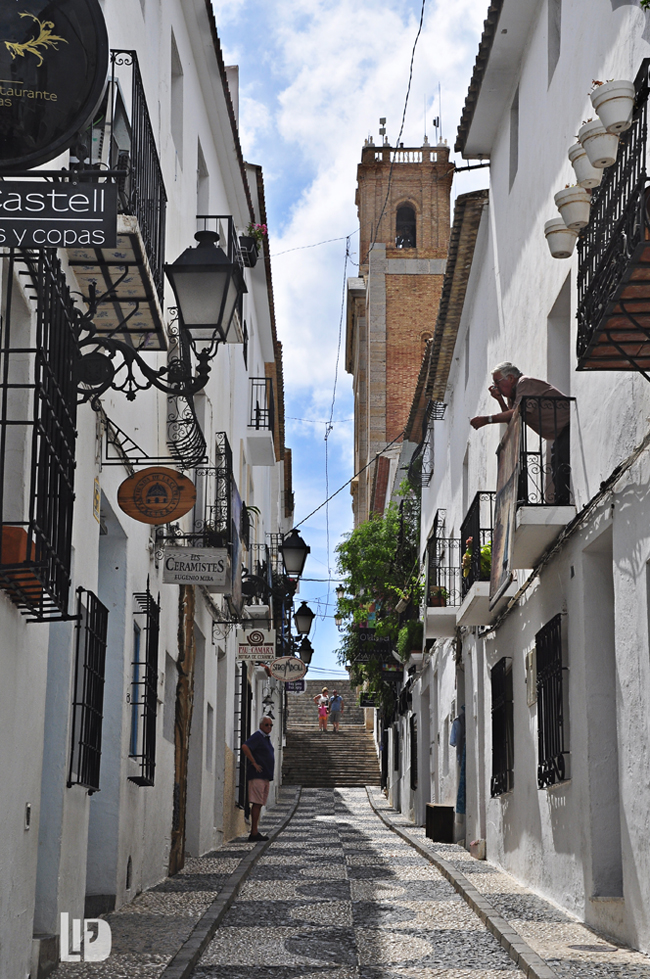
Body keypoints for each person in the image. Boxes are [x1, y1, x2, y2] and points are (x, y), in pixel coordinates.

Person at [469, 362, 571, 505]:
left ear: (510, 378)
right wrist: (500, 399)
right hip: (561, 433)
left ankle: (563, 500)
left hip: (568, 426)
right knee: (557, 464)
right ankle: (561, 498)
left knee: (559, 463)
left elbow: (515, 413)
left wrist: (488, 419)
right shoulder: (515, 394)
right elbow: (513, 420)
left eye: (497, 383)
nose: (495, 387)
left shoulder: (525, 383)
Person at [241, 716, 275, 842]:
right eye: (267, 725)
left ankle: (255, 831)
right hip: (257, 776)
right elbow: (245, 747)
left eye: (271, 725)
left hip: (264, 776)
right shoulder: (258, 736)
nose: (269, 727)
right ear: (261, 725)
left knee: (259, 803)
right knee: (256, 803)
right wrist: (254, 763)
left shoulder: (265, 738)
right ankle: (253, 832)